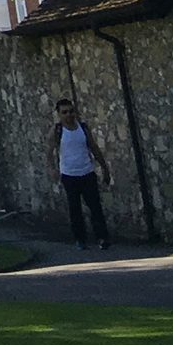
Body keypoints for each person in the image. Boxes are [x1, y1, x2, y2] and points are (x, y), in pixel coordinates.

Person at [52, 98, 111, 252]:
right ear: (58, 114)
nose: (69, 115)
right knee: (75, 209)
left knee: (95, 207)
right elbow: (48, 151)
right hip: (69, 175)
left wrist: (104, 168)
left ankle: (102, 237)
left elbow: (94, 147)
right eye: (64, 112)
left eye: (71, 111)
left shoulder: (83, 129)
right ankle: (80, 239)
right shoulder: (57, 131)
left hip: (87, 172)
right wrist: (53, 169)